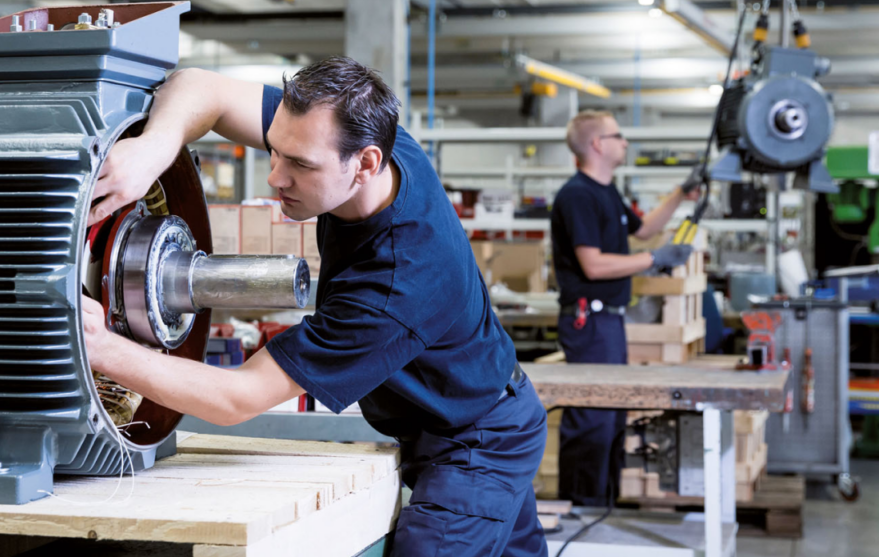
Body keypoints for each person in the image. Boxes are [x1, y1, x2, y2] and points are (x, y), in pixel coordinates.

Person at [82, 57, 549, 556]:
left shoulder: (397, 285)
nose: (275, 178)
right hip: (477, 403)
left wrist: (101, 347)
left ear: (365, 163)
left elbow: (238, 397)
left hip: (475, 440)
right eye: (274, 151)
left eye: (301, 165)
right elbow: (203, 86)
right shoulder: (376, 142)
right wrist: (155, 148)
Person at [551, 110, 699, 507]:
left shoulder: (607, 192)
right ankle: (581, 509)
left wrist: (680, 194)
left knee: (612, 413)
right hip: (589, 320)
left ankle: (604, 506)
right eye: (618, 135)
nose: (626, 142)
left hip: (610, 320)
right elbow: (593, 265)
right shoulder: (578, 195)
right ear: (597, 144)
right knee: (593, 417)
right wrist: (654, 259)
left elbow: (644, 229)